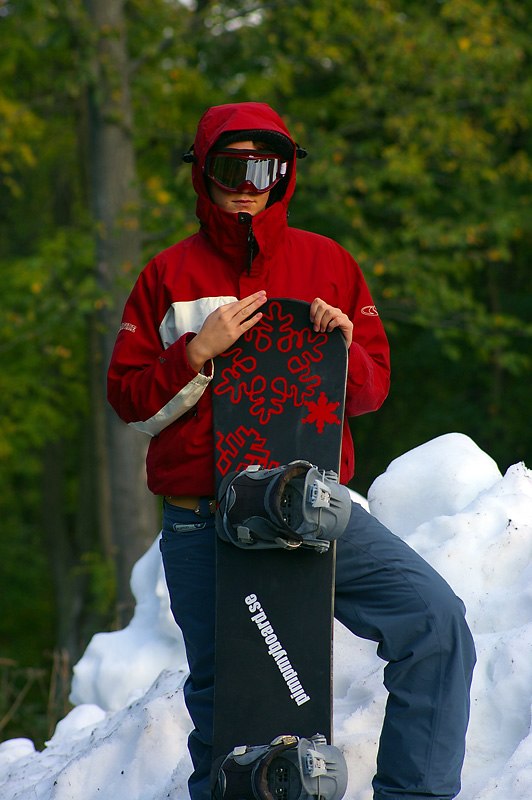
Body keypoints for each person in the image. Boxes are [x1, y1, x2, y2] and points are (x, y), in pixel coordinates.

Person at [107, 102, 476, 800]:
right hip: (205, 521)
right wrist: (197, 352)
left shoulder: (327, 263)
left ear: (286, 172)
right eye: (229, 167)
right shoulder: (168, 276)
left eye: (264, 167)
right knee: (233, 716)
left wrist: (339, 353)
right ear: (202, 173)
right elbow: (130, 402)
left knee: (435, 619)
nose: (247, 184)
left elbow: (368, 392)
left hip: (314, 514)